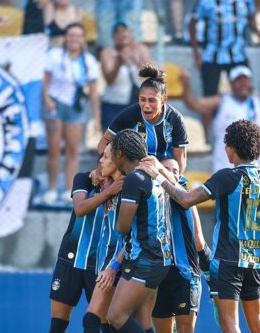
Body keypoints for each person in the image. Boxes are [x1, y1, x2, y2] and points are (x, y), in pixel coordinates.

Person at [139, 119, 260, 333]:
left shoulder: (226, 177)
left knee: (231, 324)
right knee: (257, 322)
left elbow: (185, 199)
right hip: (255, 259)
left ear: (231, 148)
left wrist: (159, 176)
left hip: (228, 260)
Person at [40, 147, 144, 333]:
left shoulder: (127, 188)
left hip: (100, 265)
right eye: (102, 156)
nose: (101, 160)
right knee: (58, 325)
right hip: (70, 259)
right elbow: (80, 209)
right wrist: (107, 191)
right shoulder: (84, 180)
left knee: (109, 327)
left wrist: (115, 190)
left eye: (107, 156)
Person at [104, 129, 174, 333]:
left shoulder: (134, 179)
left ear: (121, 153)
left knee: (116, 316)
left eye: (112, 151)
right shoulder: (152, 175)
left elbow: (123, 226)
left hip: (144, 258)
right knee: (143, 321)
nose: (110, 155)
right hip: (161, 257)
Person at [179, 65, 260, 173]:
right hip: (224, 169)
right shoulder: (221, 102)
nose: (243, 84)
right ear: (231, 84)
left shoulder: (258, 103)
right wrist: (186, 85)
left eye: (246, 80)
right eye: (239, 81)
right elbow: (194, 104)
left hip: (252, 170)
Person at [151, 157, 208, 333]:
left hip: (185, 275)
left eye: (175, 170)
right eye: (167, 168)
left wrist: (208, 269)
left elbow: (199, 241)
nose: (172, 173)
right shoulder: (153, 197)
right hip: (160, 275)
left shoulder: (187, 197)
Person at [42, 23, 101, 204]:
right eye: (71, 35)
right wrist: (47, 100)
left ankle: (69, 188)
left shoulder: (88, 61)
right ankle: (52, 188)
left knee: (72, 150)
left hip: (75, 107)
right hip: (55, 104)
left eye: (78, 36)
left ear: (83, 39)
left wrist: (97, 116)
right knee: (54, 150)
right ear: (66, 38)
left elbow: (93, 91)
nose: (74, 39)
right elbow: (45, 80)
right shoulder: (55, 56)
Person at [97, 65, 189, 173]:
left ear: (163, 100)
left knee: (172, 165)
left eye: (152, 100)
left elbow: (180, 162)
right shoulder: (130, 115)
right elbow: (104, 142)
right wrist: (106, 167)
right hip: (134, 171)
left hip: (163, 171)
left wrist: (170, 180)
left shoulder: (175, 120)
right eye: (143, 100)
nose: (146, 105)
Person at [189, 0, 260, 133]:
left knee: (246, 93)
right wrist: (196, 51)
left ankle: (249, 132)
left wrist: (257, 31)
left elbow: (251, 18)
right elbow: (192, 24)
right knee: (209, 98)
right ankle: (206, 135)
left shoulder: (246, 2)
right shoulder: (206, 2)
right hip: (212, 55)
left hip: (238, 55)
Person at [99, 22, 152, 130]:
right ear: (113, 36)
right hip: (113, 103)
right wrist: (118, 63)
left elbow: (151, 75)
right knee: (111, 139)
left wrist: (135, 60)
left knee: (136, 138)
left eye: (124, 31)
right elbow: (109, 80)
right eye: (118, 32)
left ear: (131, 33)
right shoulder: (107, 52)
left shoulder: (141, 50)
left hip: (136, 103)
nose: (122, 34)